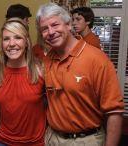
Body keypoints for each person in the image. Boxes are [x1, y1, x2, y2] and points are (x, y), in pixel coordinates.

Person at [36, 3, 124, 146]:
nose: (51, 32)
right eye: (44, 29)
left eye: (55, 25)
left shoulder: (97, 59)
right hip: (53, 138)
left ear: (69, 25)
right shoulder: (46, 61)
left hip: (86, 140)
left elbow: (114, 111)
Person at [0, 18, 46, 146]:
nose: (11, 43)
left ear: (26, 42)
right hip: (2, 142)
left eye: (17, 37)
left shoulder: (40, 70)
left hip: (35, 143)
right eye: (6, 39)